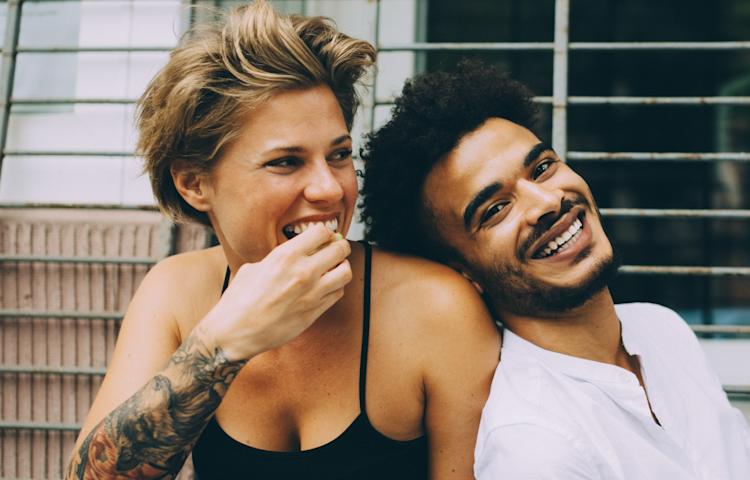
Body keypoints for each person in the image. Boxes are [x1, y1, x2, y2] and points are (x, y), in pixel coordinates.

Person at [65, 4, 500, 479]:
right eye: (286, 162)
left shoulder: (436, 308)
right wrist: (222, 346)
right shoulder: (176, 293)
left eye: (339, 155)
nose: (331, 189)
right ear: (194, 183)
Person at [360, 59, 750, 479]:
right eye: (496, 209)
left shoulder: (663, 329)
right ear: (463, 272)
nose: (547, 202)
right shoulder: (535, 448)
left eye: (542, 168)